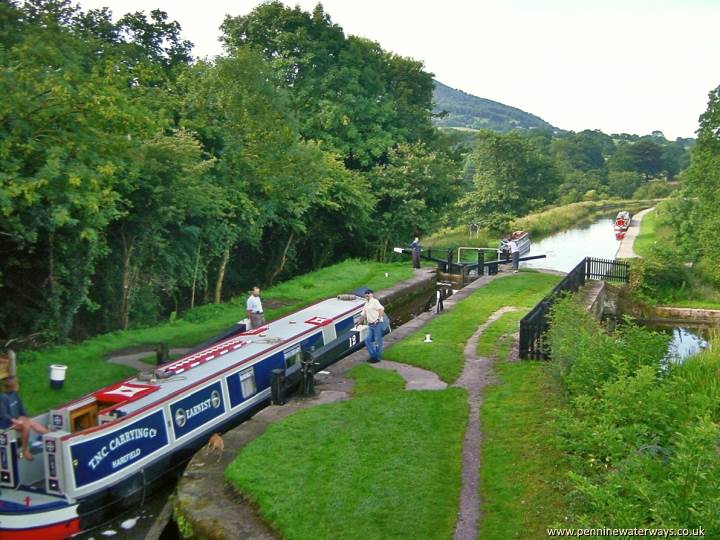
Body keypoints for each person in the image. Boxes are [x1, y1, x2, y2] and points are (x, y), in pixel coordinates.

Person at [0, 376, 49, 461]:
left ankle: (49, 434)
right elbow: (3, 414)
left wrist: (26, 416)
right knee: (25, 426)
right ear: (13, 386)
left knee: (29, 421)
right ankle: (25, 450)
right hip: (6, 422)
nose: (19, 385)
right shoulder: (3, 397)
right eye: (17, 384)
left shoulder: (15, 395)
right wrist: (15, 421)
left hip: (16, 418)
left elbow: (21, 408)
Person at [358, 289, 385, 363]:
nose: (367, 294)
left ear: (372, 294)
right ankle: (374, 356)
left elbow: (381, 309)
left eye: (368, 293)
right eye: (365, 293)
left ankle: (376, 358)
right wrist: (359, 323)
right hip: (370, 325)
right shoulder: (366, 303)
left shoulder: (375, 301)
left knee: (377, 342)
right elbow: (363, 314)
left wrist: (378, 319)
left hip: (377, 325)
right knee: (367, 340)